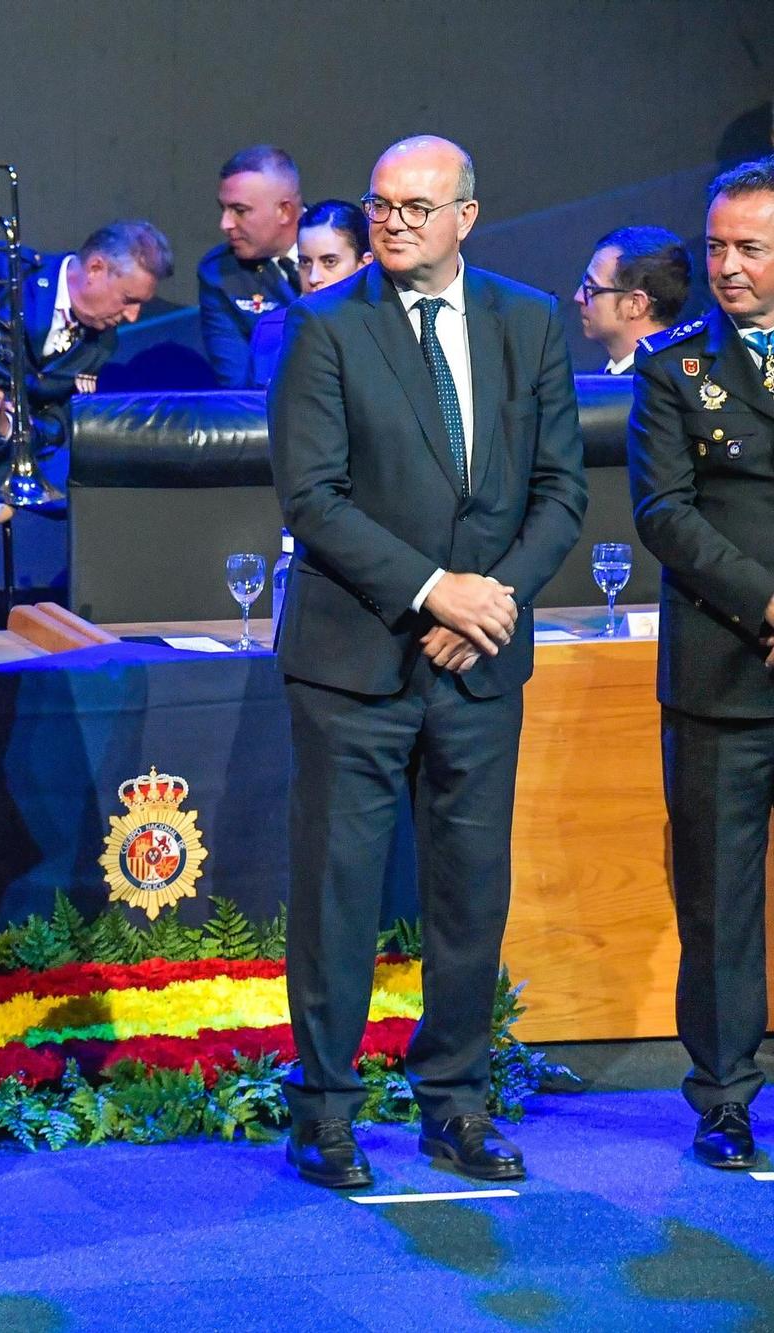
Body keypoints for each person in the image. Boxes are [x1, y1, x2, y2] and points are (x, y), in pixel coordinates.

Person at [269, 136, 586, 1189]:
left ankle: (453, 1103)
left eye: (416, 206)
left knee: (467, 894)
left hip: (480, 660)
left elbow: (559, 493)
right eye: (379, 206)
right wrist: (427, 590)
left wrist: (487, 601)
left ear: (465, 215)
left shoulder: (528, 319)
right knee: (337, 892)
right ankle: (323, 1113)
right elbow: (312, 498)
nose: (393, 222)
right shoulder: (321, 325)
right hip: (354, 662)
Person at [625, 155, 774, 1170]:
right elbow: (662, 514)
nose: (724, 266)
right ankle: (722, 1096)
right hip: (724, 666)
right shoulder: (672, 367)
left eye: (747, 248)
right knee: (716, 899)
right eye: (715, 246)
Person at [0, 219, 170, 448]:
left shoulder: (103, 341)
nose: (133, 316)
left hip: (3, 470)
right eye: (128, 298)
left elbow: (62, 420)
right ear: (96, 269)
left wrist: (9, 428)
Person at [200, 145, 304, 388]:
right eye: (223, 209)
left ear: (284, 211)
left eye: (239, 210)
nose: (225, 224)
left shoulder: (351, 244)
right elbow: (237, 390)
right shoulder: (221, 274)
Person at [248, 199, 373, 387]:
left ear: (364, 265)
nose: (313, 278)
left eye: (329, 262)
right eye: (305, 262)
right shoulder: (271, 331)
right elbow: (248, 414)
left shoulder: (386, 332)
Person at [577, 226, 690, 374]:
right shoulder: (598, 387)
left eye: (591, 287)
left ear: (635, 304)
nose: (578, 297)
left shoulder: (661, 390)